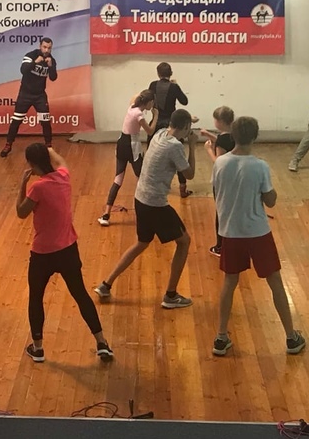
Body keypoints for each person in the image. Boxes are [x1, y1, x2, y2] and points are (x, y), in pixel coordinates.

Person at [210, 116, 306, 358]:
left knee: (229, 283)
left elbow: (218, 192)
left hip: (230, 233)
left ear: (233, 135)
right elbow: (270, 201)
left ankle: (221, 337)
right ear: (255, 137)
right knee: (275, 282)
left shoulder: (219, 163)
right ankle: (291, 337)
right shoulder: (260, 166)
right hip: (257, 233)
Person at [16, 144, 113, 363]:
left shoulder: (37, 188)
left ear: (31, 164)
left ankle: (38, 348)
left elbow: (21, 212)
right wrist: (49, 149)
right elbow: (61, 161)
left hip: (42, 254)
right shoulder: (63, 177)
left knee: (36, 298)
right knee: (80, 295)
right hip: (68, 250)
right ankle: (101, 342)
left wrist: (22, 184)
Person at [94, 109, 196, 310]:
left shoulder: (159, 133)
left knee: (141, 243)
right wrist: (192, 145)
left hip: (140, 198)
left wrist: (186, 122)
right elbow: (190, 174)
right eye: (188, 128)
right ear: (185, 127)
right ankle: (171, 295)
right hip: (155, 204)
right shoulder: (175, 146)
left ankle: (106, 285)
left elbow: (175, 127)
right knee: (184, 242)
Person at [98, 89, 155, 227]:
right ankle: (145, 214)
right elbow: (150, 131)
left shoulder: (131, 107)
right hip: (132, 147)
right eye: (152, 102)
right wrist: (156, 116)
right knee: (142, 180)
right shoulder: (139, 114)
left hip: (121, 144)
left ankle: (106, 214)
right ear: (148, 102)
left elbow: (136, 96)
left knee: (118, 180)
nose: (153, 105)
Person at [1, 37, 59, 156]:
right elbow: (23, 70)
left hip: (40, 96)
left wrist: (51, 66)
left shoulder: (51, 60)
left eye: (49, 48)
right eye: (44, 47)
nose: (46, 50)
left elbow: (53, 78)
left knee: (45, 122)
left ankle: (49, 146)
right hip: (25, 94)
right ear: (40, 46)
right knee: (16, 121)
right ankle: (8, 145)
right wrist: (35, 62)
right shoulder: (30, 55)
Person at [148, 62, 193, 197]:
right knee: (179, 157)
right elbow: (184, 101)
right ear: (171, 73)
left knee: (152, 155)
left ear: (158, 74)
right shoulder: (174, 87)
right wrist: (176, 86)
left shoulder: (153, 85)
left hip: (155, 123)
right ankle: (182, 188)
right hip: (171, 125)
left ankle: (151, 184)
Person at [201, 105, 236, 255]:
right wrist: (209, 135)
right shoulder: (236, 134)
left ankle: (220, 246)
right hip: (235, 177)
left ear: (219, 122)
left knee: (221, 211)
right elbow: (224, 142)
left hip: (222, 180)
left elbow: (219, 162)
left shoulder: (222, 139)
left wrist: (209, 150)